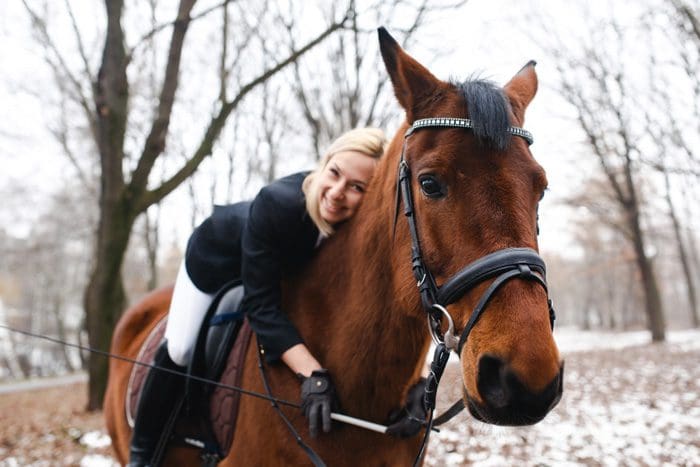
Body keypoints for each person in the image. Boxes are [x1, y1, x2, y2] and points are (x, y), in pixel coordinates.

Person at [127, 127, 427, 467]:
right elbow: (261, 306)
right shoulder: (277, 203)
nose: (337, 192)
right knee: (180, 348)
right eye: (334, 173)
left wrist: (417, 381)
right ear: (323, 164)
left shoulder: (360, 223)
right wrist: (313, 374)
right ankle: (142, 453)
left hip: (285, 268)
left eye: (357, 187)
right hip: (216, 261)